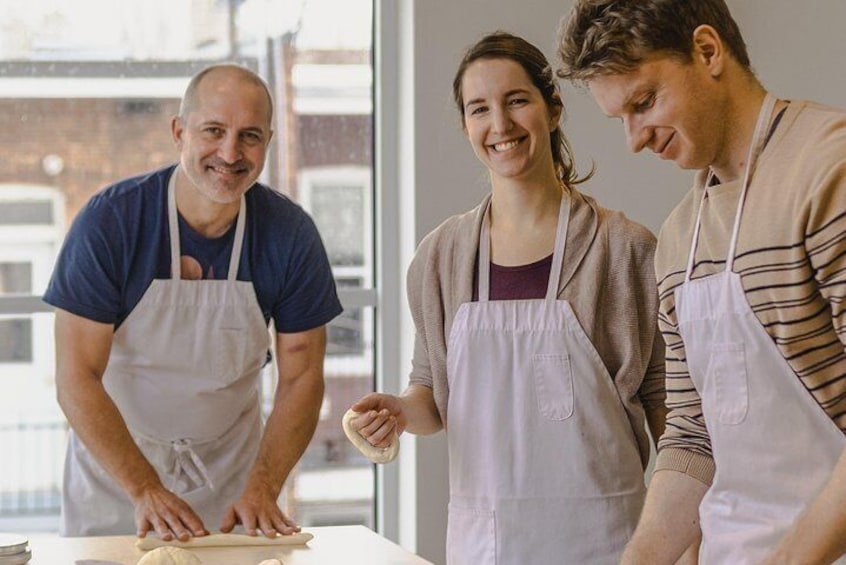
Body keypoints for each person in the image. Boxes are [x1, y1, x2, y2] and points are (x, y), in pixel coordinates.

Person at [346, 31, 666, 564]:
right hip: (487, 545)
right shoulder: (440, 258)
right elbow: (432, 393)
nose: (500, 125)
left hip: (610, 542)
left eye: (517, 100)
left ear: (553, 108)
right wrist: (399, 411)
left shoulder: (624, 250)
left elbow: (665, 408)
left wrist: (691, 531)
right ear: (465, 126)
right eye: (480, 109)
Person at [557, 1, 846, 563]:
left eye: (644, 103)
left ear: (708, 51)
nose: (634, 140)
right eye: (621, 119)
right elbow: (694, 438)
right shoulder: (681, 237)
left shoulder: (826, 170)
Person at [44, 64, 342, 540]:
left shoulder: (290, 234)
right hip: (116, 485)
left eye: (249, 136)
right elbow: (75, 377)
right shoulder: (112, 222)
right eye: (213, 131)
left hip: (233, 486)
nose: (230, 152)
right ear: (179, 132)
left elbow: (303, 376)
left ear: (268, 141)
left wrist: (264, 485)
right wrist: (143, 487)